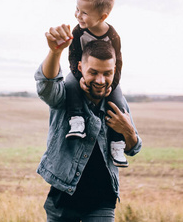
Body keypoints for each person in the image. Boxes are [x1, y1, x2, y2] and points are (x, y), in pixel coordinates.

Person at [35, 24, 142, 221]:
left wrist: (128, 131)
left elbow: (134, 148)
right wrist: (54, 51)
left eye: (107, 73)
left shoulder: (118, 102)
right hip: (63, 198)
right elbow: (47, 88)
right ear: (80, 68)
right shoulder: (66, 95)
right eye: (93, 72)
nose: (101, 80)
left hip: (102, 201)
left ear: (115, 71)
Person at [64, 0, 129, 168]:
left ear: (103, 16)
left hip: (107, 78)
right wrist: (80, 78)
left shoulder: (113, 36)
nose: (78, 15)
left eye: (84, 13)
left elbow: (118, 63)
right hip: (81, 73)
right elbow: (73, 57)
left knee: (118, 103)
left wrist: (111, 84)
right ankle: (76, 120)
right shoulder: (78, 31)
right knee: (69, 85)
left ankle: (117, 144)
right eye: (77, 9)